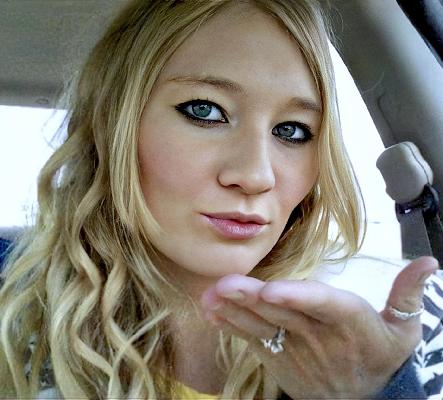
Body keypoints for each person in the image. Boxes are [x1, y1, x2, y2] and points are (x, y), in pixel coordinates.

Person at [0, 0, 442, 398]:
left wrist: (380, 390)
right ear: (112, 126)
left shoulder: (404, 326)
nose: (255, 176)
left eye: (291, 130)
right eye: (205, 110)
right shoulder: (13, 308)